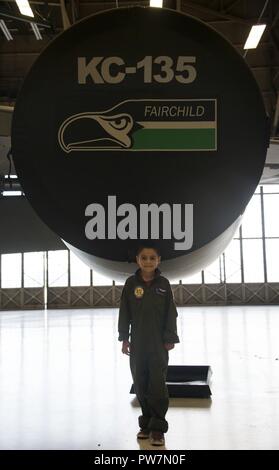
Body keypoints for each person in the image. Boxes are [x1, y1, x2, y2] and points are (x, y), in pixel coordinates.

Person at [118, 244, 180, 446]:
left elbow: (171, 312)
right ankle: (145, 423)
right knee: (141, 382)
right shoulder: (130, 284)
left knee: (157, 385)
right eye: (144, 257)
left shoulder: (164, 284)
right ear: (137, 259)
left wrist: (170, 337)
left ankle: (158, 428)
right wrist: (124, 338)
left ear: (158, 260)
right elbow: (124, 312)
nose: (148, 261)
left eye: (152, 258)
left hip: (158, 344)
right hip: (137, 344)